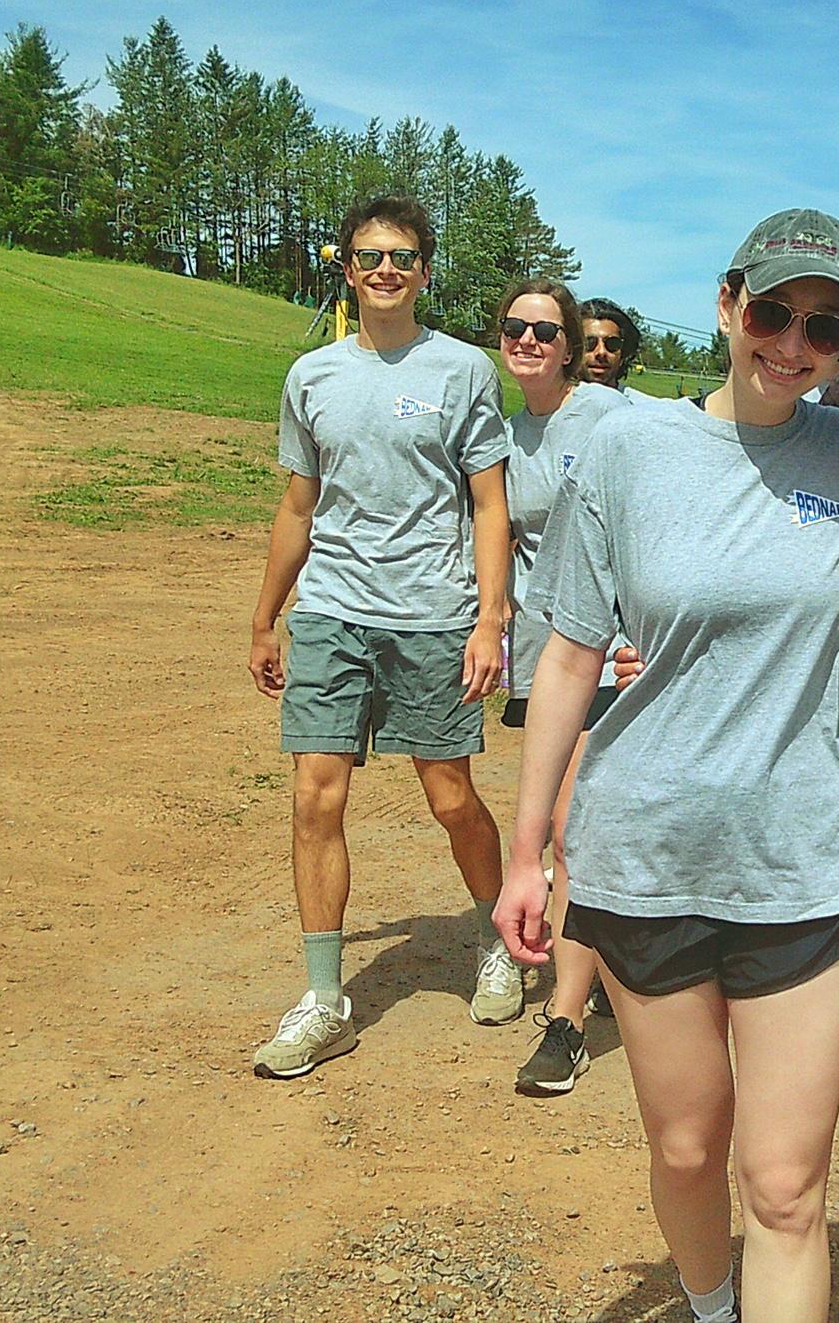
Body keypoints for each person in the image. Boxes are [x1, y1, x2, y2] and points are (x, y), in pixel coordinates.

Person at [495, 210, 839, 1323]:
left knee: (781, 1184)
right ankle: (710, 1303)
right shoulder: (625, 451)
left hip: (808, 865)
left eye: (824, 326)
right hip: (646, 856)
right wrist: (526, 854)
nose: (793, 342)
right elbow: (573, 650)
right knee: (684, 1147)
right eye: (773, 312)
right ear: (728, 307)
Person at [247, 194, 517, 1078]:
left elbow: (488, 503)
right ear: (350, 270)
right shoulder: (311, 375)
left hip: (433, 615)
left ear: (426, 270)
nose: (386, 269)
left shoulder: (462, 370)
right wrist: (267, 615)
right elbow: (299, 503)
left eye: (402, 256)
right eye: (370, 257)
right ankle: (326, 1001)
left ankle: (497, 937)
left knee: (449, 798)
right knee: (314, 798)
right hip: (332, 611)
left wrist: (489, 617)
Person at [497, 276, 629, 1094]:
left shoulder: (614, 418)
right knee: (566, 818)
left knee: (570, 823)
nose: (530, 341)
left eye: (547, 331)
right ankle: (611, 968)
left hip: (609, 649)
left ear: (573, 345)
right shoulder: (505, 434)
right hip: (541, 646)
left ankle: (566, 1020)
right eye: (516, 327)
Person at [578, 296, 645, 393]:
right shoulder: (552, 405)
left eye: (612, 344)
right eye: (589, 343)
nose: (601, 352)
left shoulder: (641, 407)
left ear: (623, 354)